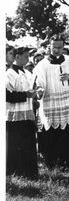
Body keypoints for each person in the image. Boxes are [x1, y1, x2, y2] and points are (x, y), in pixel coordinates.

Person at [33, 35, 69, 168]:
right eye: (54, 47)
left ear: (64, 47)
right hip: (50, 103)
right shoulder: (43, 65)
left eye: (60, 47)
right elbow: (39, 83)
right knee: (51, 134)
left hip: (66, 102)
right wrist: (40, 90)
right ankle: (51, 163)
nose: (57, 50)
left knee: (67, 133)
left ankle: (67, 162)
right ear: (50, 46)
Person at [6, 47, 38, 179]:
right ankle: (15, 172)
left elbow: (32, 89)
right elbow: (7, 95)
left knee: (28, 145)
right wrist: (26, 95)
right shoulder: (9, 74)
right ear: (17, 57)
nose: (28, 59)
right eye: (25, 56)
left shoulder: (28, 73)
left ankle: (29, 173)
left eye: (28, 56)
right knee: (15, 145)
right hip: (14, 117)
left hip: (27, 115)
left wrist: (36, 95)